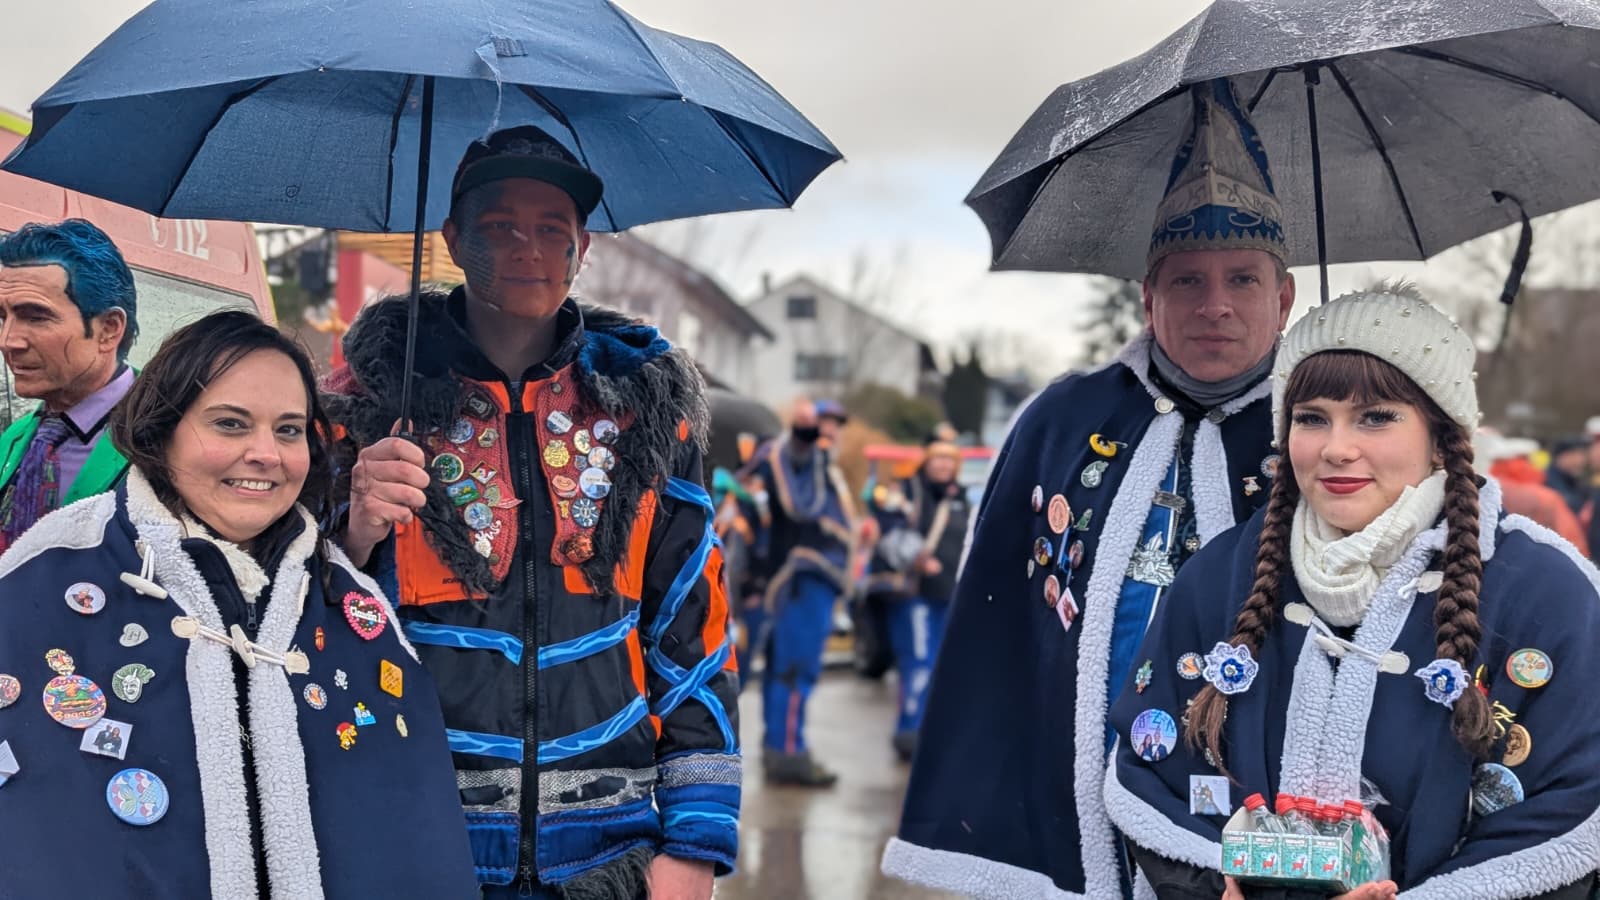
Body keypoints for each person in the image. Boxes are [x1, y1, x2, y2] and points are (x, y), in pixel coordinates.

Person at [883, 79, 1288, 897]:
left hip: (1260, 786)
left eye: (1243, 279)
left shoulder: (1320, 429)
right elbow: (992, 618)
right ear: (1146, 298)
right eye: (1187, 280)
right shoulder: (1063, 419)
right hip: (1075, 774)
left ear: (1284, 298)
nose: (1215, 305)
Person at [325, 125, 738, 900]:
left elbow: (691, 629)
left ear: (584, 248)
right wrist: (354, 532)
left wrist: (696, 840)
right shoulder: (366, 407)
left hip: (607, 854)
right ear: (453, 239)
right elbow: (299, 622)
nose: (528, 249)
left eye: (552, 229)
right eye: (499, 227)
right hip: (412, 842)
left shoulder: (646, 416)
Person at [1106, 285, 1600, 899]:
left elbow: (1571, 809)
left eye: (1376, 417)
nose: (1337, 448)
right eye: (1311, 418)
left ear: (1441, 437)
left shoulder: (1545, 591)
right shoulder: (1218, 578)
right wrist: (1213, 888)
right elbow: (1152, 772)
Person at [0, 311, 476, 898]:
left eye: (289, 429)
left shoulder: (351, 604)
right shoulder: (45, 577)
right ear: (161, 429)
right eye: (230, 424)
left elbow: (412, 833)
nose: (266, 454)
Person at [0, 219, 139, 553]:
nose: (8, 341)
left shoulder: (169, 439)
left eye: (35, 317)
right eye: (2, 317)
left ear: (109, 329)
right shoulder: (14, 437)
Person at [747, 396, 858, 786]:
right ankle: (790, 751)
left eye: (835, 425)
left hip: (816, 583)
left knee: (787, 668)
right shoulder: (798, 458)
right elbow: (793, 464)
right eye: (823, 423)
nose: (830, 432)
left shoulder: (826, 468)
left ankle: (780, 748)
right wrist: (803, 434)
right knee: (796, 669)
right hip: (802, 581)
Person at [862, 425, 971, 761]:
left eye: (949, 459)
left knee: (944, 666)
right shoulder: (907, 491)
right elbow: (887, 527)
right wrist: (919, 558)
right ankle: (910, 733)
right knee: (919, 663)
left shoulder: (961, 498)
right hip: (915, 594)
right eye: (937, 457)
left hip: (950, 594)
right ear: (926, 460)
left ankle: (934, 735)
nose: (943, 464)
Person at [1477, 429, 1589, 555]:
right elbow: (1572, 539)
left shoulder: (1479, 489)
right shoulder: (1546, 495)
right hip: (1544, 559)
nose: (1580, 460)